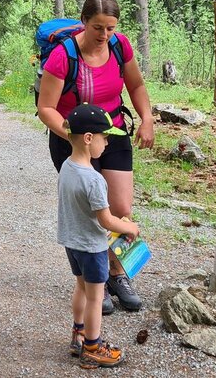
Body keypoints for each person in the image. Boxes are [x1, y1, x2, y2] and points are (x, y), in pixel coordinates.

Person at [37, 0, 154, 314]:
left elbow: (137, 86)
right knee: (91, 211)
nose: (104, 35)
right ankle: (95, 281)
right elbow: (45, 107)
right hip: (71, 140)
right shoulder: (63, 56)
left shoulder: (120, 46)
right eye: (98, 27)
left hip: (112, 133)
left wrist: (146, 118)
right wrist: (76, 137)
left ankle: (117, 275)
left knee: (119, 206)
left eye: (110, 28)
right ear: (84, 22)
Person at [56, 103, 141, 369]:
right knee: (95, 296)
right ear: (89, 139)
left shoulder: (67, 168)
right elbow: (105, 220)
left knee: (80, 287)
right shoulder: (94, 180)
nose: (106, 144)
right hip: (92, 247)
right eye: (105, 138)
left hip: (71, 242)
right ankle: (92, 347)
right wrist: (128, 227)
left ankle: (78, 334)